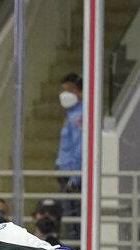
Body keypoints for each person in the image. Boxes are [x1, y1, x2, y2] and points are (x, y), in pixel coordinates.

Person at [55, 72, 83, 217]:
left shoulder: (80, 115)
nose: (65, 94)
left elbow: (79, 148)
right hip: (66, 172)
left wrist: (75, 177)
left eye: (70, 90)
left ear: (80, 91)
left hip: (73, 175)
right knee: (69, 214)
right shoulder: (71, 113)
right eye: (63, 90)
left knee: (74, 217)